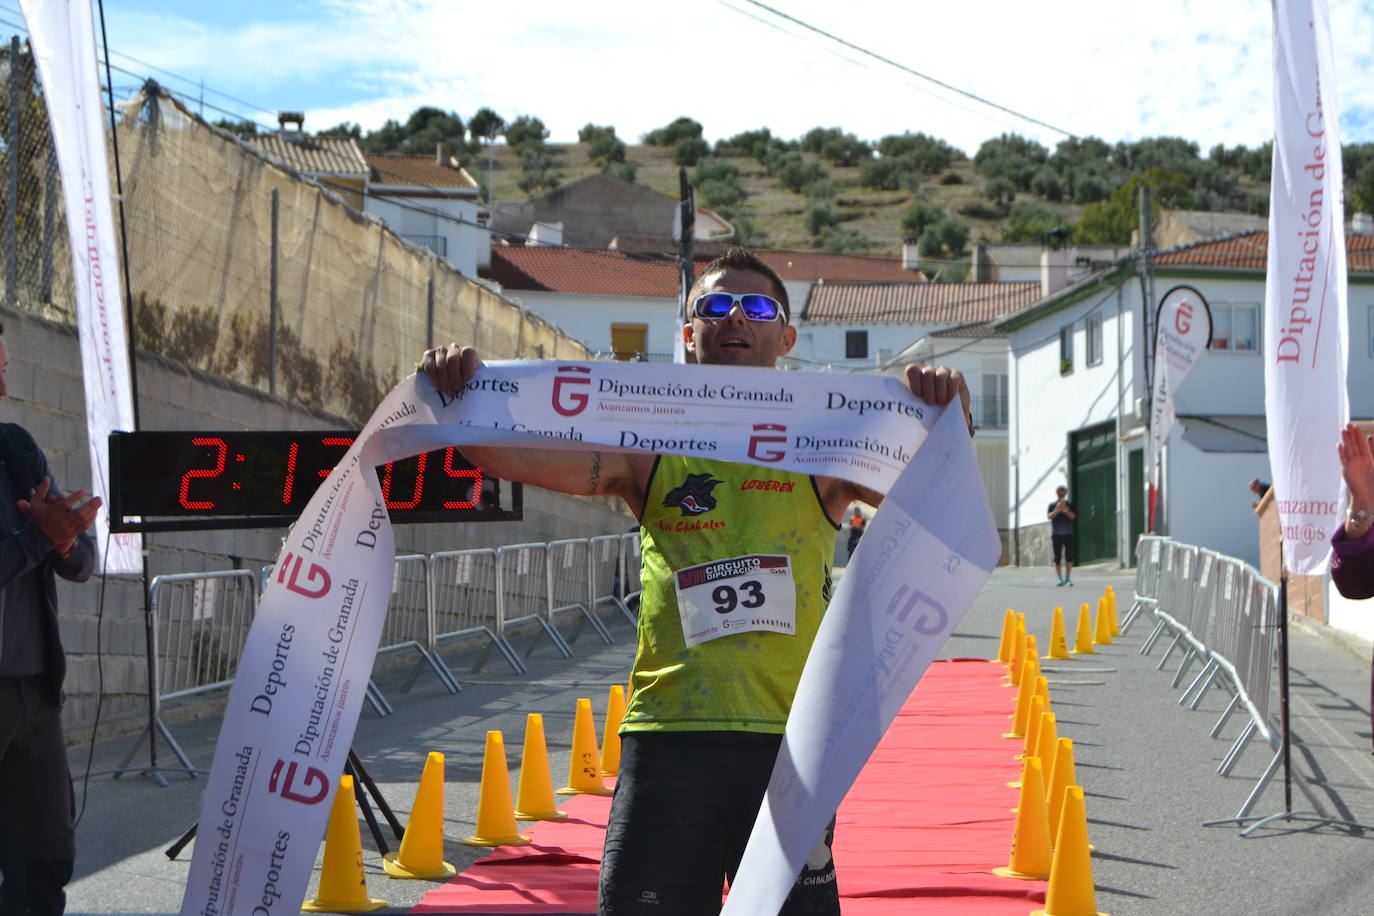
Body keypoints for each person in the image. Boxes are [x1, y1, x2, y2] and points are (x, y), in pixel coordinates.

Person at [421, 246, 971, 915]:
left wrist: (950, 411)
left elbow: (938, 492)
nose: (735, 315)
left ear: (786, 337)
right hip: (669, 742)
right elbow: (510, 453)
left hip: (789, 748)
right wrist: (460, 392)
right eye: (713, 306)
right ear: (688, 333)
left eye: (758, 306)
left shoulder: (827, 449)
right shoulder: (647, 447)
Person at [0, 322, 100, 916]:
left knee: (43, 864)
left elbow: (82, 563)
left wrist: (64, 541)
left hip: (34, 698)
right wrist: (40, 539)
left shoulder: (17, 451)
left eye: (6, 371)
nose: (4, 388)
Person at [1048, 485, 1076, 586]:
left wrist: (1065, 509)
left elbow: (1073, 516)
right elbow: (1049, 516)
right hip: (1056, 535)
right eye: (1060, 491)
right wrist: (1057, 510)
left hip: (1068, 534)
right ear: (1057, 493)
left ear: (1066, 492)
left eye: (1063, 491)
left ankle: (1068, 578)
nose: (1062, 493)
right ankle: (1060, 579)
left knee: (1069, 556)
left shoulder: (1069, 504)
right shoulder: (1052, 505)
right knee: (1057, 557)